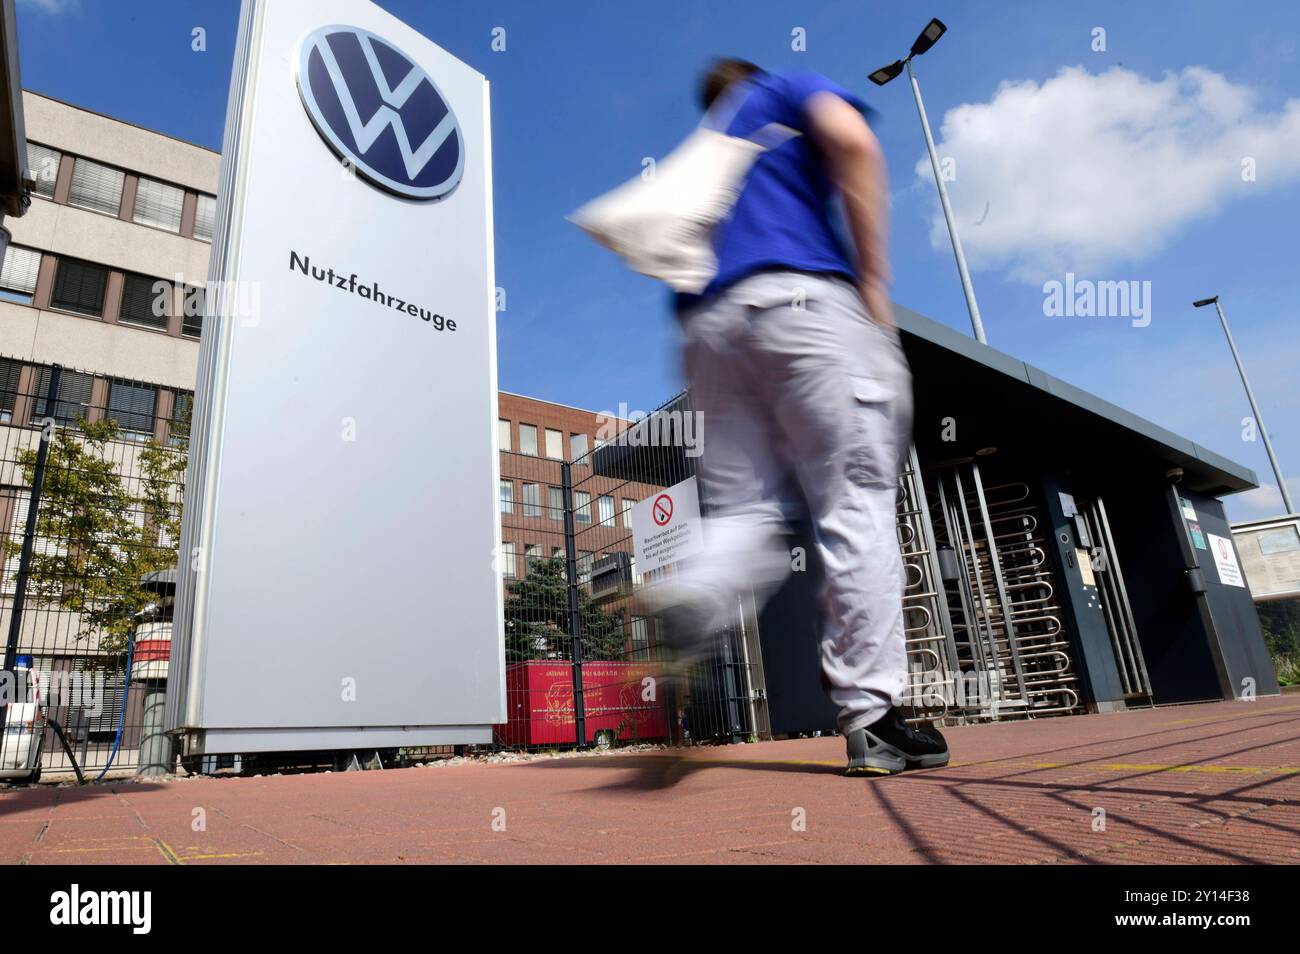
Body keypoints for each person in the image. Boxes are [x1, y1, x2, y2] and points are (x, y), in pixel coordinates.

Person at [662, 58, 949, 777]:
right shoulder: (779, 89)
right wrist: (875, 281)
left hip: (707, 328)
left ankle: (697, 588)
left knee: (741, 513)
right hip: (802, 304)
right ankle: (873, 720)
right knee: (854, 504)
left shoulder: (699, 151)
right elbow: (850, 139)